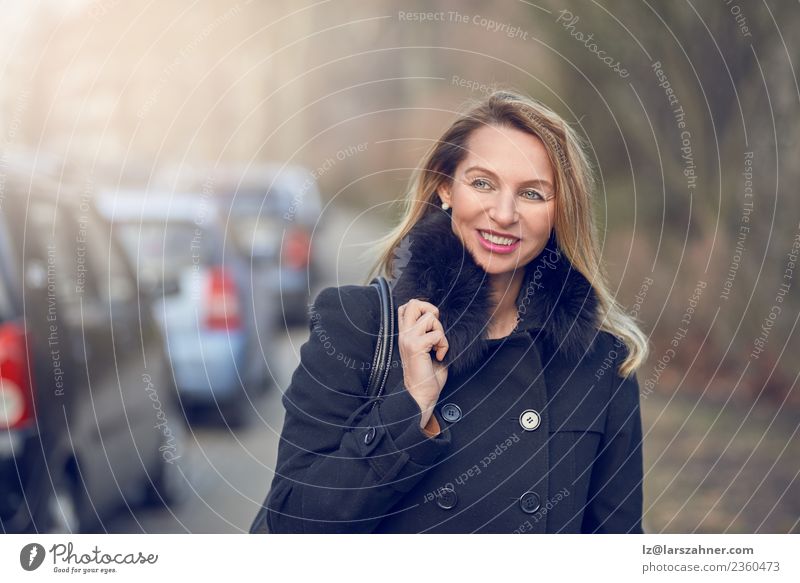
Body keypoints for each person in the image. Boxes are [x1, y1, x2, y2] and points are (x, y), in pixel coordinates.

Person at [250, 89, 650, 534]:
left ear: (561, 211)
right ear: (446, 186)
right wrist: (410, 406)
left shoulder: (602, 362)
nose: (503, 213)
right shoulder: (357, 325)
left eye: (533, 193)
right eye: (482, 183)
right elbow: (293, 521)